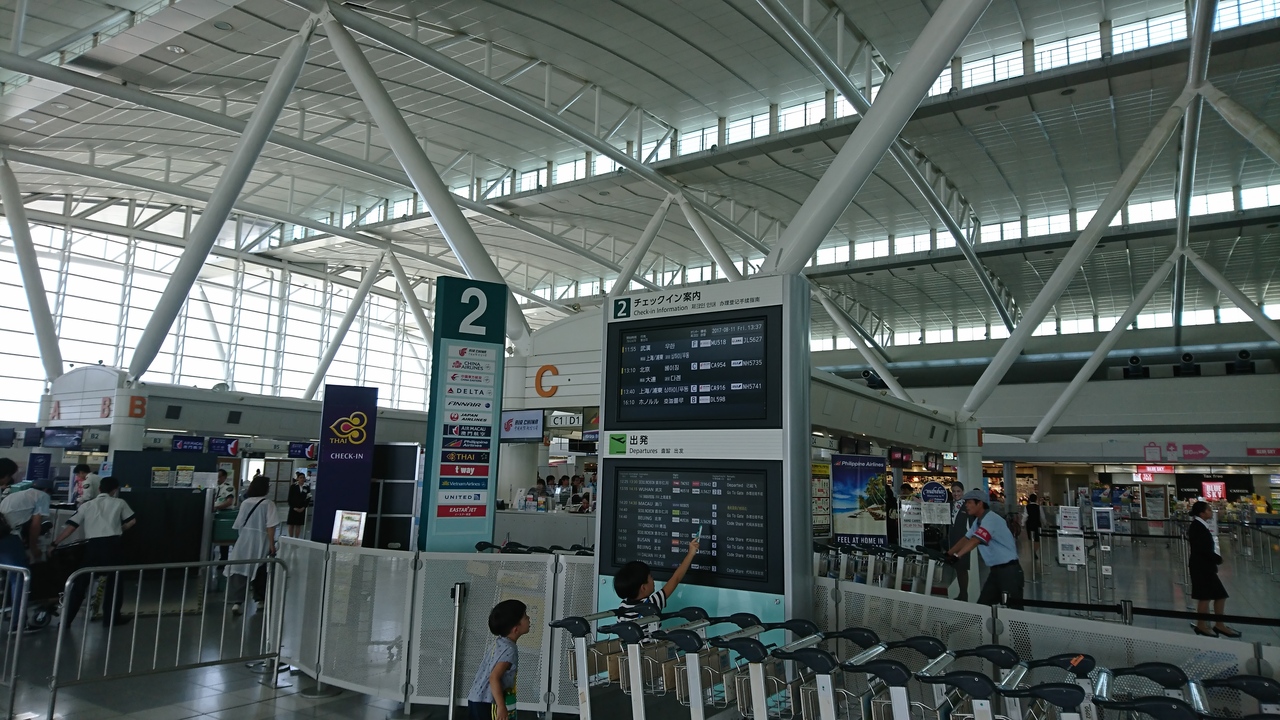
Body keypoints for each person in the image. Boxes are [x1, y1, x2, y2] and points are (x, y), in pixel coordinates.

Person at [53, 476, 135, 626]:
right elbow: (132, 520)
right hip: (113, 546)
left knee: (81, 582)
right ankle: (111, 619)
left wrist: (55, 543)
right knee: (114, 582)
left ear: (99, 489)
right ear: (115, 490)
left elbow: (71, 526)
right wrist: (121, 528)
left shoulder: (87, 505)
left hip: (93, 546)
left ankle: (65, 620)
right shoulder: (119, 503)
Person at [946, 488, 1023, 608]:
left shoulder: (990, 519)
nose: (966, 506)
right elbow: (966, 538)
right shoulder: (978, 521)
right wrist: (948, 554)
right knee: (983, 607)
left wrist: (957, 556)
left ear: (980, 503)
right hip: (996, 572)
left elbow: (975, 540)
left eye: (969, 502)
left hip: (1009, 571)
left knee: (1014, 610)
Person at [0, 476, 51, 632]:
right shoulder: (42, 496)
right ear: (47, 490)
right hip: (7, 539)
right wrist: (34, 548)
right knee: (21, 578)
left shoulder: (15, 494)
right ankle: (18, 623)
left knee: (8, 577)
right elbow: (36, 524)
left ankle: (8, 613)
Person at [466, 599, 531, 720]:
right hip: (488, 702)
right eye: (525, 616)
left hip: (477, 699)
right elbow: (494, 677)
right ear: (515, 629)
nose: (528, 618)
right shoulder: (509, 650)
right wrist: (501, 706)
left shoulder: (500, 643)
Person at [614, 535, 700, 623]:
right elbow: (676, 578)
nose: (653, 580)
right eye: (651, 577)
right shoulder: (651, 604)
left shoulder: (622, 606)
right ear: (643, 587)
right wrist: (690, 553)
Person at [224, 476, 278, 616]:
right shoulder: (268, 504)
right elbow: (270, 526)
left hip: (244, 539)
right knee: (260, 569)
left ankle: (237, 602)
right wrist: (272, 544)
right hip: (261, 540)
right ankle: (260, 600)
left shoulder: (245, 503)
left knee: (240, 569)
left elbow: (239, 524)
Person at [1187, 500, 1240, 638]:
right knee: (1204, 597)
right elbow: (1201, 549)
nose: (1211, 512)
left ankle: (1219, 624)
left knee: (1219, 595)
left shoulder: (1200, 526)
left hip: (1205, 566)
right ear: (1202, 513)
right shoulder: (1197, 527)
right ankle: (1201, 625)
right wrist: (1217, 558)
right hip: (1201, 567)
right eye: (1209, 510)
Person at [948, 481, 971, 601]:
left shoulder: (967, 506)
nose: (956, 494)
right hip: (953, 540)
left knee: (962, 568)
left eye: (958, 491)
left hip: (963, 540)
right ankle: (962, 594)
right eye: (954, 491)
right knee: (957, 567)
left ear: (963, 492)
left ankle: (964, 595)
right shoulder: (950, 504)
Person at [286, 472, 309, 538]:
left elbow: (308, 498)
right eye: (300, 478)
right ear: (297, 478)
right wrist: (293, 507)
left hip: (301, 508)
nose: (302, 479)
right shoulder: (293, 486)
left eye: (303, 478)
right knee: (291, 524)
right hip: (293, 508)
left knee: (298, 525)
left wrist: (303, 507)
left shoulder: (307, 487)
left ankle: (296, 538)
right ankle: (291, 538)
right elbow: (290, 498)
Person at [1024, 493, 1043, 560]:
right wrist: (1045, 522)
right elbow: (1042, 516)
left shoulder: (1027, 507)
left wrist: (1022, 523)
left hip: (1029, 524)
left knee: (1031, 538)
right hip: (1037, 524)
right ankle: (1034, 551)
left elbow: (1025, 516)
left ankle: (1033, 550)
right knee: (1037, 539)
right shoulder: (1039, 507)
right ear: (1036, 499)